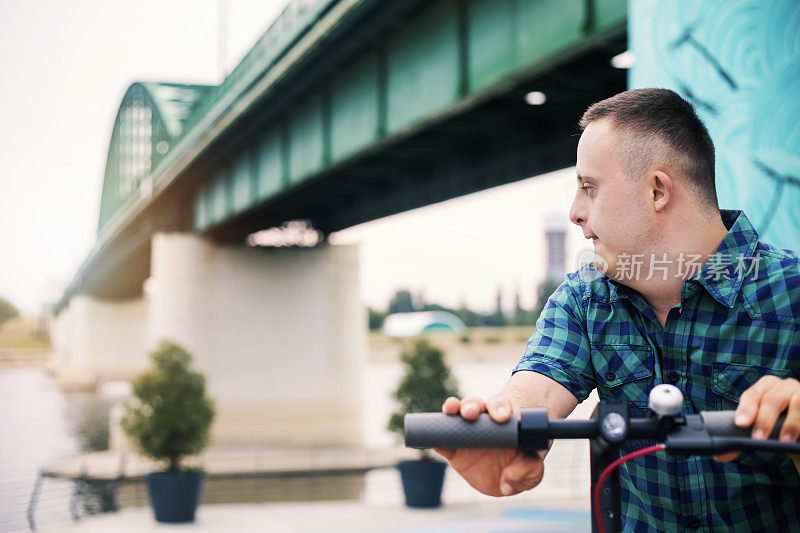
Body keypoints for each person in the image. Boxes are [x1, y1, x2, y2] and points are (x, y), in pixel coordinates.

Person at [436, 88, 800, 531]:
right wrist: (504, 431)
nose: (575, 213)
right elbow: (533, 391)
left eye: (588, 188)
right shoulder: (586, 298)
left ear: (657, 190)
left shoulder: (791, 294)